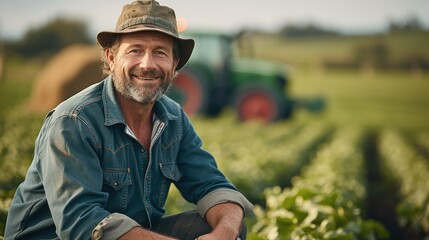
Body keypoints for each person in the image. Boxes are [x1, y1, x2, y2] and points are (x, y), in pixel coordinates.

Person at [4, 1, 253, 239]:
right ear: (111, 59)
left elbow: (214, 186)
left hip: (125, 234)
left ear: (174, 64)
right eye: (135, 50)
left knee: (223, 223)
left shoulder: (174, 118)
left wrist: (224, 232)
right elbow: (80, 223)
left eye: (160, 53)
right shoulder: (75, 120)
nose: (147, 64)